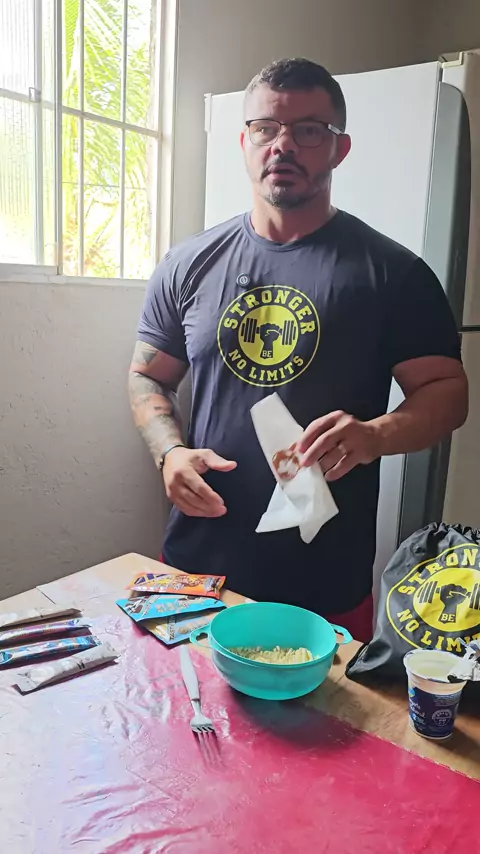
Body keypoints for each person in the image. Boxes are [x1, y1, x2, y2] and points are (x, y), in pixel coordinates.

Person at [128, 58, 468, 643]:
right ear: (245, 142)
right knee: (181, 698)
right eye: (265, 128)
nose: (282, 145)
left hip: (324, 576)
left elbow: (448, 393)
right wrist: (169, 453)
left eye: (308, 130)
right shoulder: (188, 264)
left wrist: (376, 434)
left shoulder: (394, 274)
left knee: (323, 705)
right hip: (196, 567)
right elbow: (147, 376)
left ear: (340, 148)